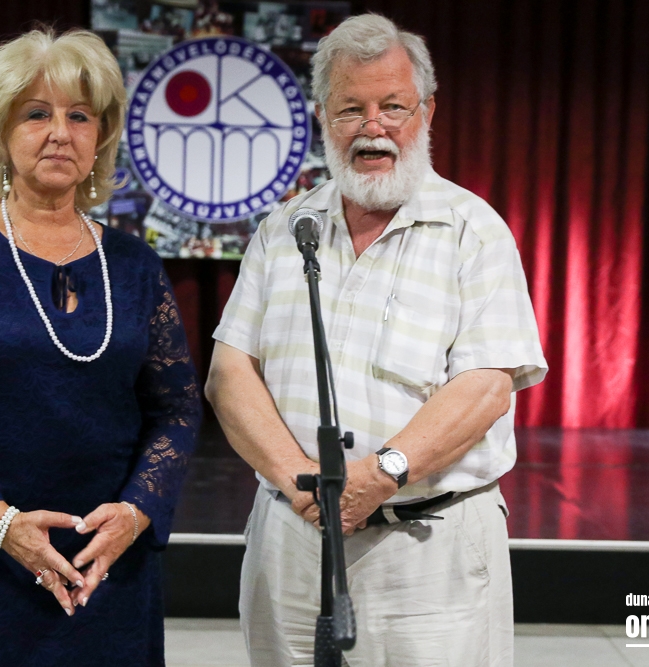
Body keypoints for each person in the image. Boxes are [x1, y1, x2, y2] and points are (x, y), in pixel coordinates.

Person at [206, 13, 547, 667]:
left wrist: (383, 472)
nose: (373, 126)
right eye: (350, 109)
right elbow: (230, 373)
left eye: (393, 106)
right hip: (291, 540)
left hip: (426, 549)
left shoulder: (473, 231)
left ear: (427, 111)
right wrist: (298, 482)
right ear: (322, 117)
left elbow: (486, 387)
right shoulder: (286, 228)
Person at [0, 27, 201, 666]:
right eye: (36, 114)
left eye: (79, 116)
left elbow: (178, 408)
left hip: (107, 565)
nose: (60, 132)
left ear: (100, 135)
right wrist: (1, 524)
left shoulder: (135, 264)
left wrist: (136, 513)